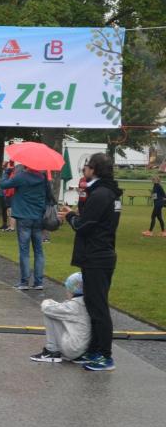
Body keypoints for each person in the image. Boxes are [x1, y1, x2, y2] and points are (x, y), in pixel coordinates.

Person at [59, 152, 122, 371]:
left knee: (98, 307)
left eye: (86, 166)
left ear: (94, 169)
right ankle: (95, 349)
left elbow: (84, 225)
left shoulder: (102, 194)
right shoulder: (107, 192)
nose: (84, 169)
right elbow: (92, 219)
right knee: (93, 305)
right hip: (99, 253)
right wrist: (78, 210)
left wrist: (70, 216)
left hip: (97, 256)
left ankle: (105, 355)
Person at [0, 164, 47, 290]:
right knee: (39, 251)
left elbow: (3, 184)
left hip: (23, 216)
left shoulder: (21, 177)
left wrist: (7, 171)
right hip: (38, 217)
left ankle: (24, 281)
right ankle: (38, 282)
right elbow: (48, 196)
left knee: (24, 251)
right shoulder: (43, 178)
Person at [30, 273, 90, 363]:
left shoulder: (74, 305)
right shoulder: (88, 302)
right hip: (84, 348)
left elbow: (47, 309)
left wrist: (47, 301)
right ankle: (78, 357)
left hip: (72, 349)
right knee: (56, 312)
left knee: (49, 313)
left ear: (72, 290)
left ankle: (52, 350)